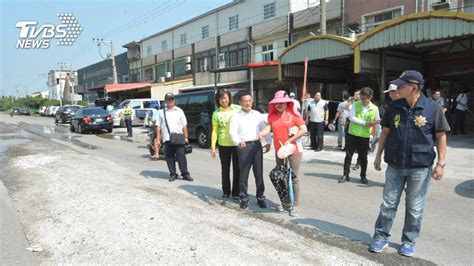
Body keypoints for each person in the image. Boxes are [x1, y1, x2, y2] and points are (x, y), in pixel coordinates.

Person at [369, 70, 449, 257]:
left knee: (415, 206)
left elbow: (440, 135)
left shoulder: (432, 108)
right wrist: (378, 155)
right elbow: (385, 132)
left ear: (413, 88)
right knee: (388, 204)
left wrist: (441, 163)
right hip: (395, 163)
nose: (397, 88)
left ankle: (408, 240)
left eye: (401, 85)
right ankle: (380, 237)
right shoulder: (394, 106)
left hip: (420, 167)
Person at [259, 90, 307, 217]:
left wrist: (289, 140)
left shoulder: (293, 115)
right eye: (277, 103)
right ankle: (286, 203)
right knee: (281, 177)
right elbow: (268, 128)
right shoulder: (272, 116)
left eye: (282, 103)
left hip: (294, 150)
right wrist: (260, 134)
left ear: (287, 103)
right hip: (280, 151)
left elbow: (304, 129)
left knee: (294, 178)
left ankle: (295, 205)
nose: (279, 105)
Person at [229, 92, 271, 210]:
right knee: (244, 174)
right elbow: (232, 132)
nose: (248, 103)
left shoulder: (257, 114)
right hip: (244, 147)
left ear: (252, 101)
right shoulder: (236, 116)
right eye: (245, 101)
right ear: (240, 103)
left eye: (249, 100)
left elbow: (264, 128)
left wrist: (268, 142)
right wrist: (238, 141)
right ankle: (244, 198)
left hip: (256, 146)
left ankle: (260, 197)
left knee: (259, 173)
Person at [339, 87, 380, 184]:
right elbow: (351, 117)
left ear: (370, 97)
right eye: (361, 98)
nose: (362, 100)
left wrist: (376, 134)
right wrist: (365, 123)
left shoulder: (375, 108)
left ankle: (363, 176)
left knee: (363, 157)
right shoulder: (356, 104)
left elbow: (377, 121)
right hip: (352, 134)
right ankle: (345, 174)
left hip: (365, 136)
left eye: (364, 98)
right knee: (348, 156)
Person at [211, 88, 241, 202]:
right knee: (225, 169)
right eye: (220, 98)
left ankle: (236, 193)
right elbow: (215, 131)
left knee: (237, 169)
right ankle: (226, 191)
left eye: (225, 97)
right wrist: (213, 146)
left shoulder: (237, 109)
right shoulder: (216, 113)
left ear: (229, 97)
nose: (223, 100)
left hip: (236, 143)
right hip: (223, 144)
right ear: (218, 100)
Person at [155, 93, 193, 182]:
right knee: (169, 157)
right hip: (167, 138)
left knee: (181, 157)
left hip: (179, 138)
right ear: (165, 101)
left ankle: (185, 174)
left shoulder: (179, 111)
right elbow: (158, 126)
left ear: (174, 100)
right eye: (168, 100)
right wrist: (158, 138)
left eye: (171, 99)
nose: (170, 101)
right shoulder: (161, 112)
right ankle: (173, 174)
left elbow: (184, 125)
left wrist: (186, 137)